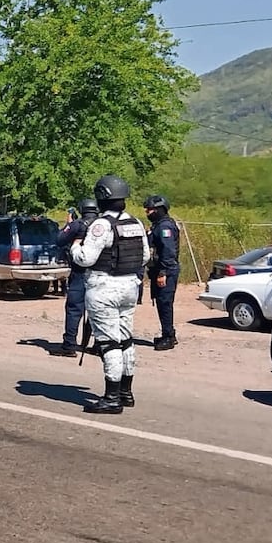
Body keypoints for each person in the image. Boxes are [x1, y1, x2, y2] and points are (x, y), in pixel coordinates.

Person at [70, 175, 150, 414]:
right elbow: (145, 256)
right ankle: (126, 392)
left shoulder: (101, 225)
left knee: (109, 343)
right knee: (126, 339)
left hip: (104, 288)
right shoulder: (135, 222)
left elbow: (86, 258)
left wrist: (75, 246)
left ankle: (111, 397)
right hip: (129, 286)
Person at [52, 198, 100, 357]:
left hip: (80, 272)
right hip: (100, 274)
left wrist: (68, 224)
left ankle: (69, 346)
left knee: (74, 309)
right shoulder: (103, 225)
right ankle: (98, 344)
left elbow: (59, 240)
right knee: (97, 310)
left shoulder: (78, 225)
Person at [144, 195, 181, 351]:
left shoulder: (165, 227)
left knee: (165, 304)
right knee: (161, 303)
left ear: (159, 209)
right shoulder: (158, 225)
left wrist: (162, 273)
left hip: (166, 271)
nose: (147, 212)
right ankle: (168, 333)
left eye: (150, 210)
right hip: (159, 270)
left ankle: (169, 337)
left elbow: (168, 252)